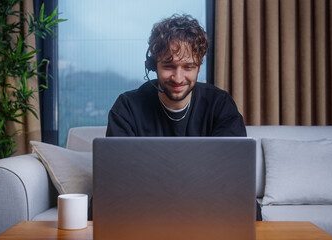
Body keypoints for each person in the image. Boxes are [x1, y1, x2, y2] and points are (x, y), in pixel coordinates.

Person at [106, 14, 262, 221]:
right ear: (153, 66)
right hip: (143, 202)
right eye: (169, 66)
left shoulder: (220, 104)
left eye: (188, 67)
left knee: (250, 206)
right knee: (99, 203)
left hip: (207, 201)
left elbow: (230, 175)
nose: (178, 78)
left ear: (199, 66)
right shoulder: (126, 107)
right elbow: (119, 177)